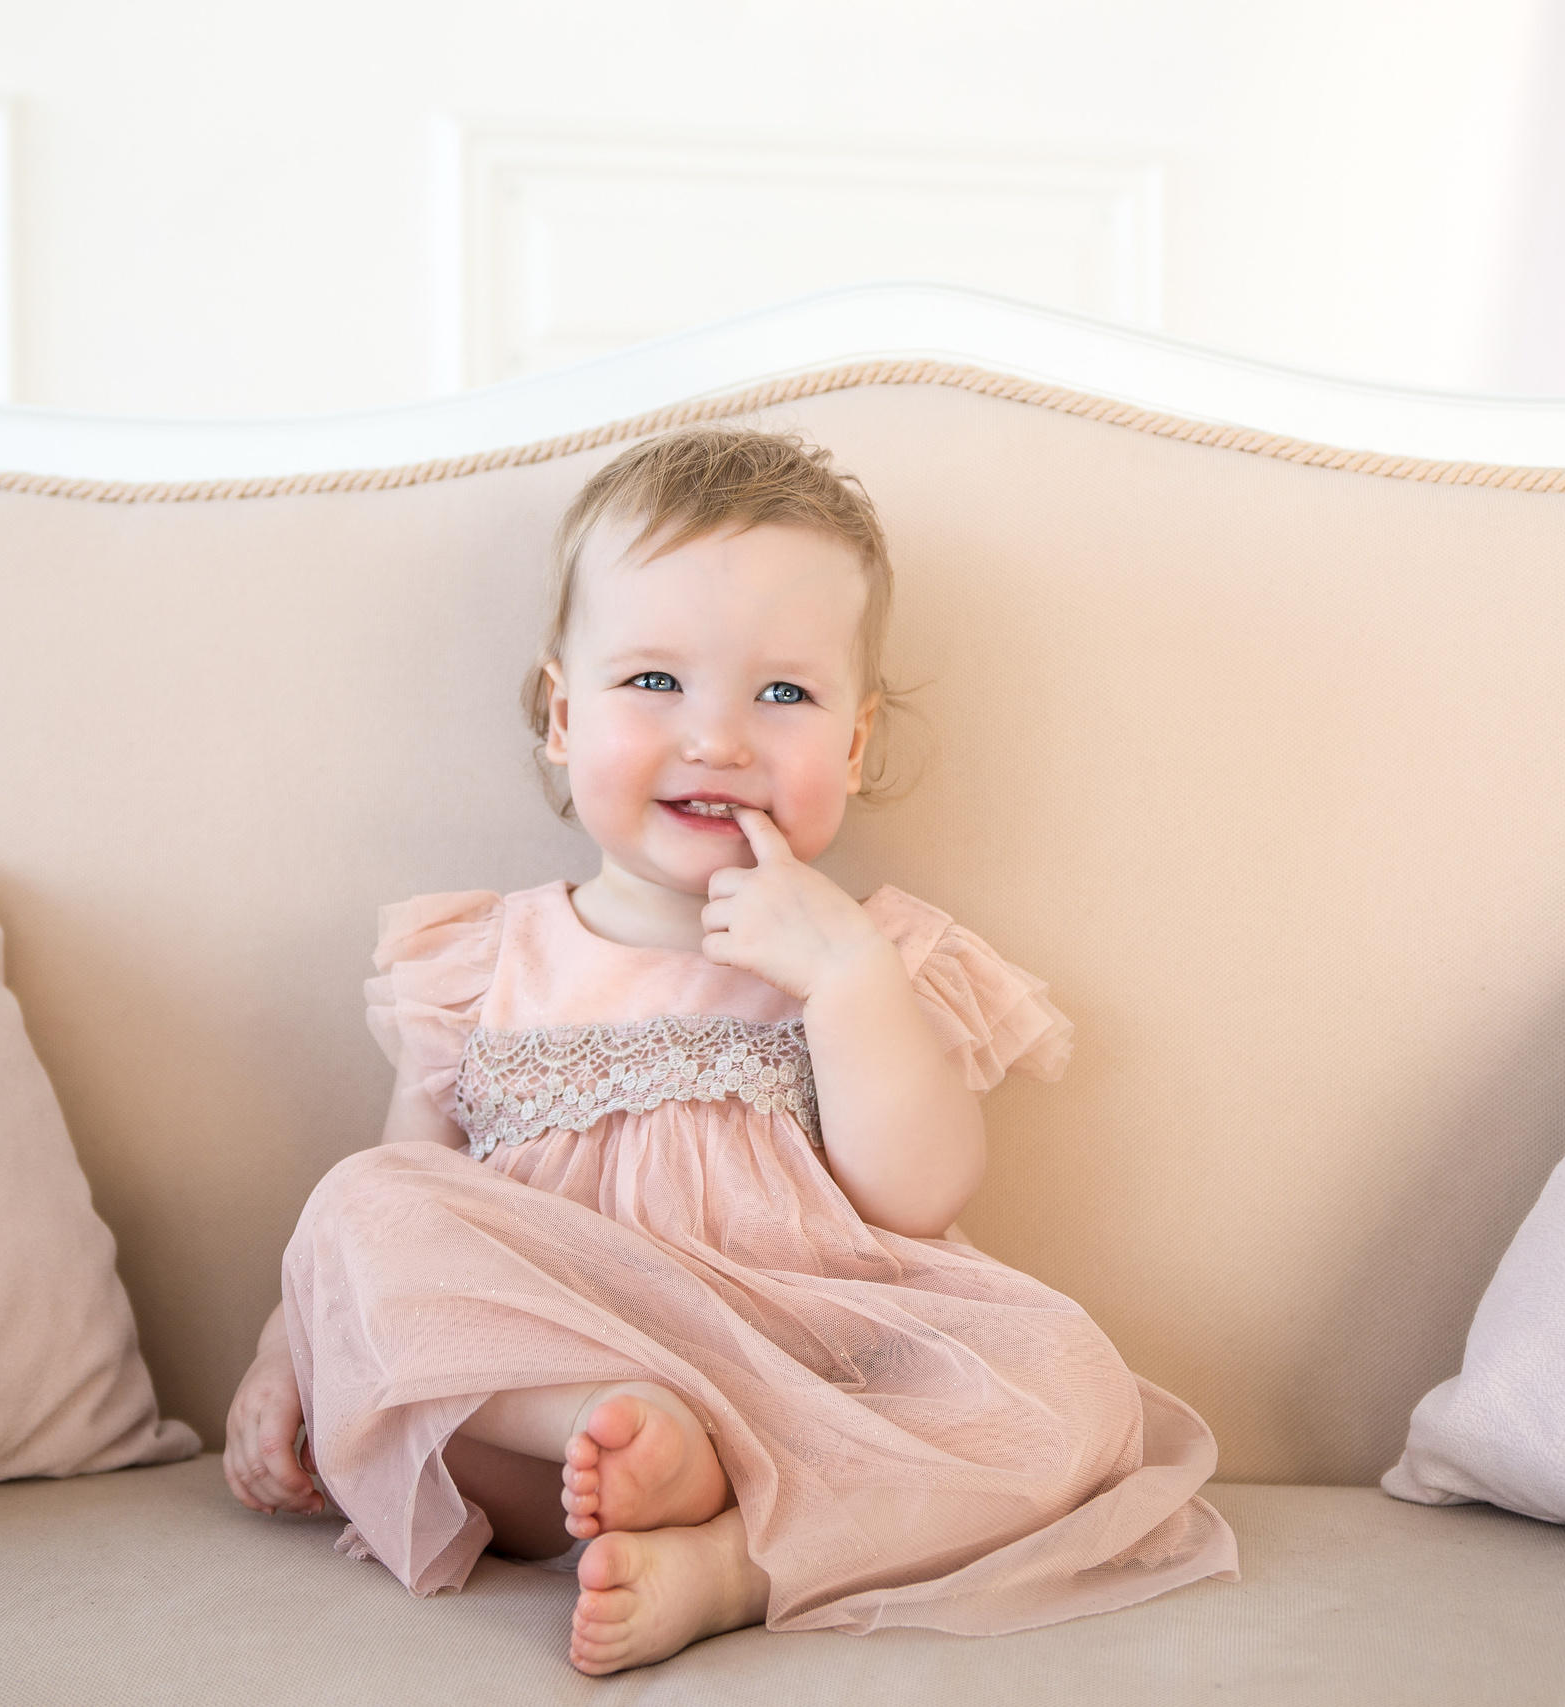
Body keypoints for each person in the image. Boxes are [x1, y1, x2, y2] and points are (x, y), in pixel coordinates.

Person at [223, 426, 1237, 1674]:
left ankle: (731, 1564)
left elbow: (915, 1198)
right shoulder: (481, 959)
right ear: (559, 712)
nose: (716, 738)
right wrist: (290, 1349)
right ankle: (624, 1425)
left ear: (854, 746)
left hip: (819, 1391)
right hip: (549, 1440)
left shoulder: (870, 955)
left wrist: (844, 978)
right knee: (360, 1200)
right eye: (654, 683)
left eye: (782, 693)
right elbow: (396, 1219)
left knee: (1076, 1395)